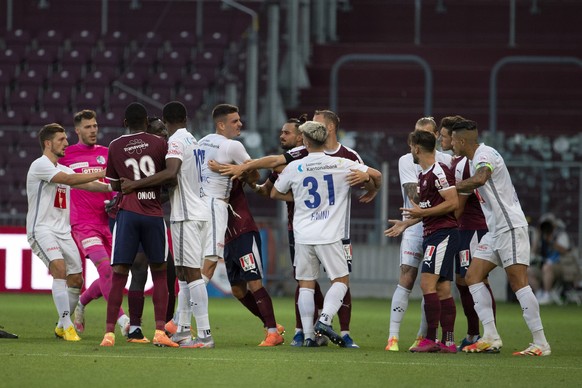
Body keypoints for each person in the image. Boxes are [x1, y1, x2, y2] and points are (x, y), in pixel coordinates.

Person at [272, 121, 382, 347]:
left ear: (305, 140)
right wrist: (373, 188)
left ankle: (309, 336)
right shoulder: (342, 163)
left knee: (306, 284)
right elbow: (377, 174)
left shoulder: (295, 166)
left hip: (302, 234)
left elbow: (274, 192)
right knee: (341, 280)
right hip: (330, 234)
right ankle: (324, 319)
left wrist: (299, 199)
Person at [451, 119, 551, 356]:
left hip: (510, 227)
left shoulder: (485, 154)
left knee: (518, 283)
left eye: (453, 140)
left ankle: (541, 342)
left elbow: (481, 178)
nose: (452, 145)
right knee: (472, 276)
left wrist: (450, 188)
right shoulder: (474, 157)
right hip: (495, 230)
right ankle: (490, 336)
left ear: (462, 141)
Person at [121, 101, 214, 348]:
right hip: (200, 212)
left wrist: (134, 185)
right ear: (185, 117)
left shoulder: (174, 142)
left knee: (192, 274)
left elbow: (171, 173)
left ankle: (204, 334)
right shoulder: (194, 141)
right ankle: (182, 329)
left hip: (186, 214)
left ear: (166, 119)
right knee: (183, 274)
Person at [100, 102, 177, 348]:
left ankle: (110, 334)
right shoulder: (160, 144)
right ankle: (159, 331)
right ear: (146, 122)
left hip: (128, 215)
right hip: (153, 213)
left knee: (120, 273)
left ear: (125, 123)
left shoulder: (114, 145)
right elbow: (169, 176)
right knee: (161, 273)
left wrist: (129, 185)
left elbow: (113, 184)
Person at [26, 123, 112, 341]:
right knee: (60, 269)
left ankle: (60, 325)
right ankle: (67, 325)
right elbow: (70, 180)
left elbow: (89, 185)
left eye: (66, 139)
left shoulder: (64, 169)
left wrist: (114, 186)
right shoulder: (40, 166)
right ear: (48, 143)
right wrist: (104, 171)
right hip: (42, 229)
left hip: (63, 231)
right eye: (61, 139)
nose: (66, 142)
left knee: (76, 279)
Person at [385, 130, 459, 353]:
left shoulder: (439, 171)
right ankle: (448, 342)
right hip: (434, 233)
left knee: (427, 284)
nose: (410, 152)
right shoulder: (424, 175)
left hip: (442, 234)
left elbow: (453, 202)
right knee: (443, 288)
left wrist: (423, 214)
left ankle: (429, 339)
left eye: (411, 148)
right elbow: (425, 210)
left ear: (417, 148)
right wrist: (405, 224)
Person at [59, 109, 130, 338]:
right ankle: (123, 320)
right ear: (77, 130)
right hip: (83, 224)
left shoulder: (107, 153)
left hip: (108, 223)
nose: (93, 130)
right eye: (88, 127)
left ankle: (81, 303)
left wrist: (116, 201)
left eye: (95, 126)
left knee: (115, 274)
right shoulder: (66, 155)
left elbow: (117, 184)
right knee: (106, 270)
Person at [439, 115, 495, 350]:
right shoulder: (456, 162)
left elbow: (459, 203)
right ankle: (475, 333)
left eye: (444, 136)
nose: (442, 140)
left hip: (472, 228)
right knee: (465, 280)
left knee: (474, 278)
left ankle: (484, 333)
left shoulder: (465, 164)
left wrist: (446, 227)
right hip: (463, 228)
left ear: (456, 138)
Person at [528, 213, 571, 305]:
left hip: (560, 266)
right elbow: (533, 253)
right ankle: (539, 294)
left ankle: (547, 294)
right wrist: (538, 236)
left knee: (547, 267)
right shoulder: (541, 235)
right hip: (543, 265)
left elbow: (565, 250)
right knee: (528, 270)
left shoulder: (560, 234)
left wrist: (551, 241)